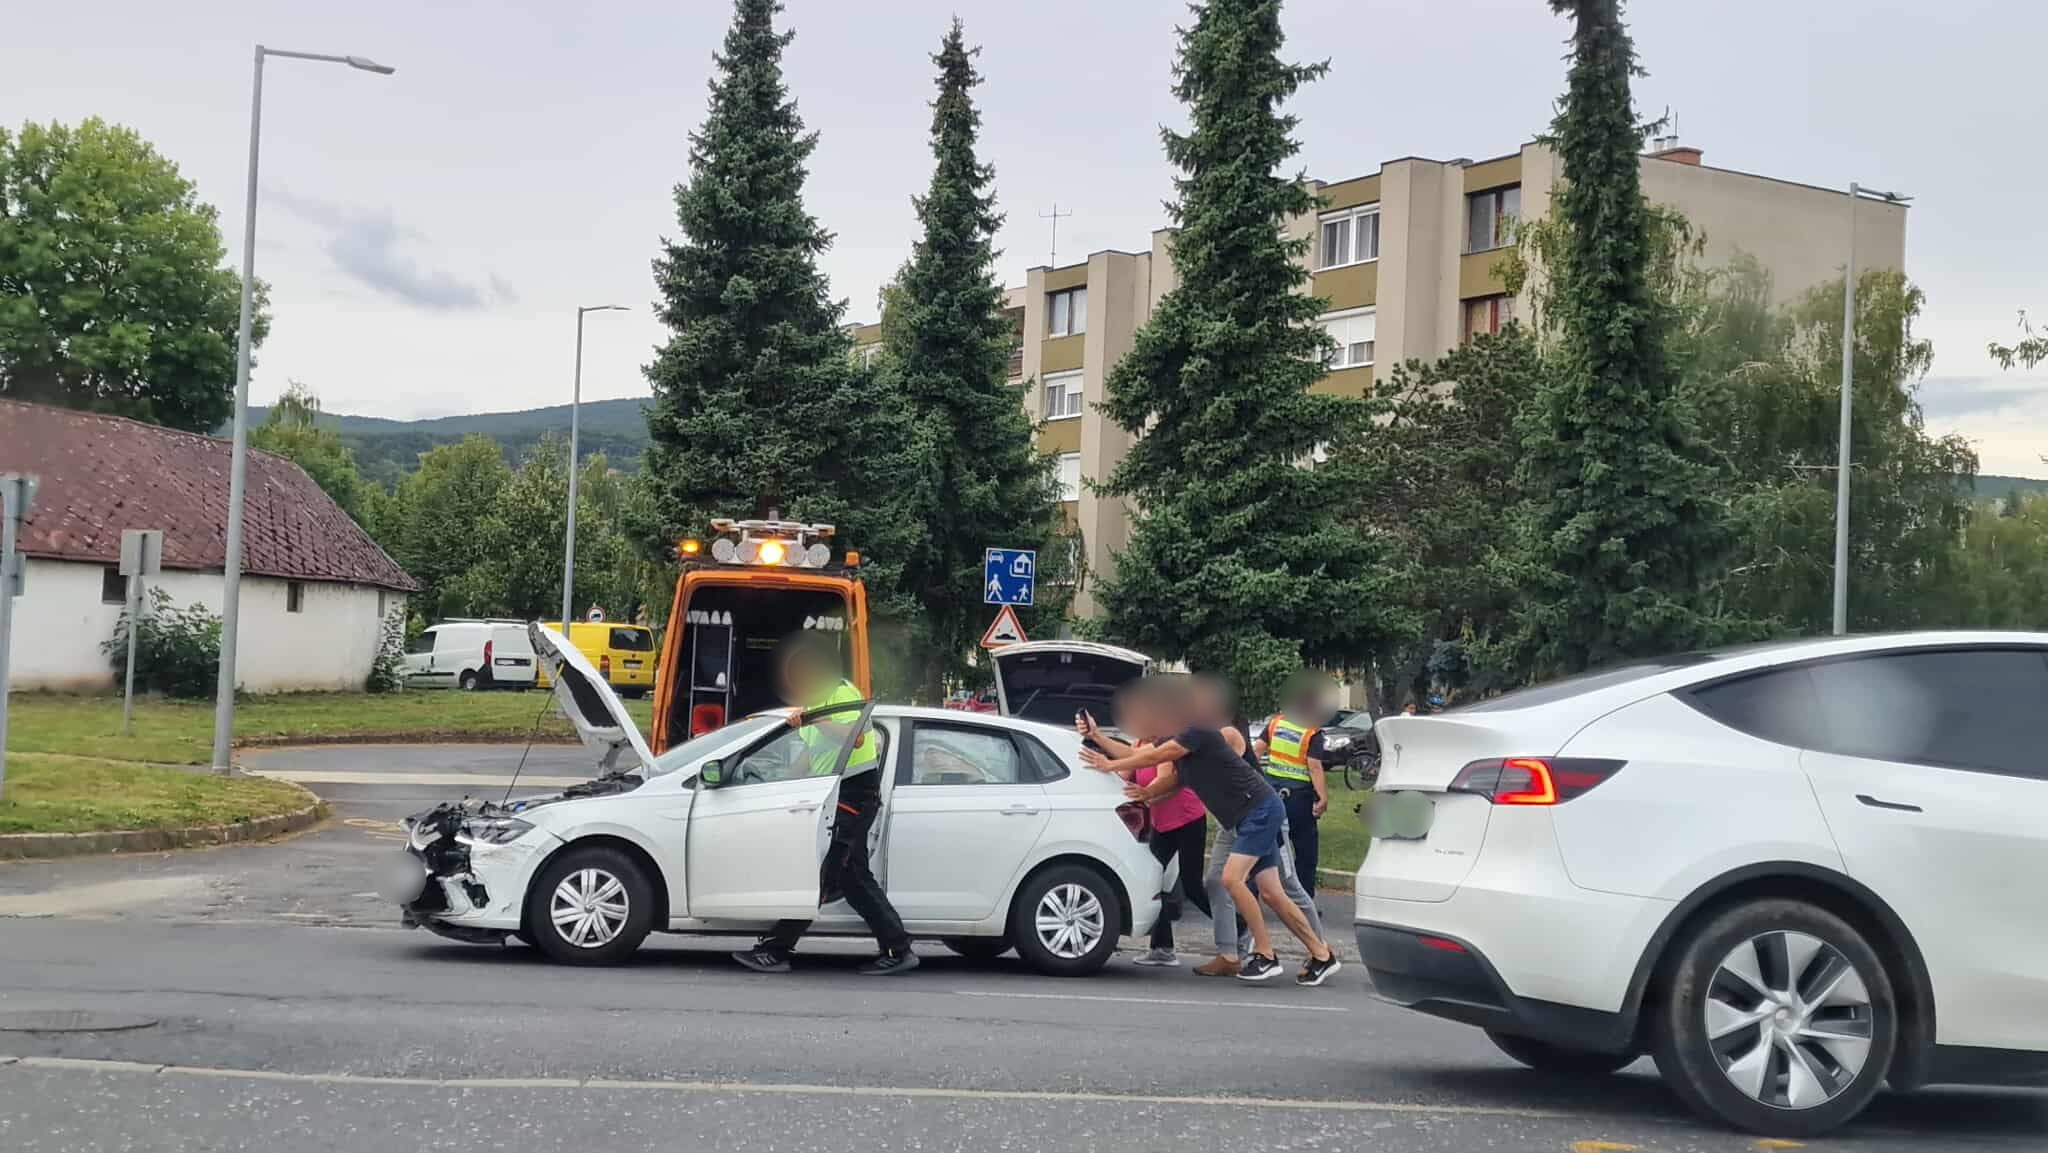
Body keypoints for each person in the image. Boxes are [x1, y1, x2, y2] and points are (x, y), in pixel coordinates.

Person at [1083, 676, 1340, 985]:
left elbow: (1151, 757)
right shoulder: (1177, 743)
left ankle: (1265, 954)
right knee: (1271, 892)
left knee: (1233, 879)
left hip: (1258, 811)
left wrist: (1108, 765)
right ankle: (1322, 955)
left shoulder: (1197, 732)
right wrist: (1102, 742)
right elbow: (1158, 768)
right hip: (1245, 816)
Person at [732, 633, 917, 976]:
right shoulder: (814, 704)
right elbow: (809, 756)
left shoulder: (841, 693)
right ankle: (897, 947)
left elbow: (855, 738)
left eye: (800, 672)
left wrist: (815, 718)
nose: (795, 680)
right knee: (849, 876)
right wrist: (779, 784)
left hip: (854, 794)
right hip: (833, 797)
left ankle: (776, 948)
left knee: (828, 873)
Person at [1078, 686, 1211, 967]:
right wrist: (1097, 739)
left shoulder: (1168, 742)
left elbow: (1162, 775)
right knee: (1150, 879)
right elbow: (1129, 761)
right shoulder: (1142, 743)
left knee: (1192, 885)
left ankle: (1241, 930)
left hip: (1186, 820)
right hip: (1162, 823)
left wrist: (1144, 794)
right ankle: (1163, 948)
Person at [1253, 672, 1330, 896]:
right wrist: (1323, 797)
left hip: (1271, 794)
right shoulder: (1312, 731)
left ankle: (1252, 894)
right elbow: (1314, 766)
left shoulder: (1276, 723)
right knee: (1305, 850)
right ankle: (1303, 899)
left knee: (1267, 845)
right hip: (1298, 798)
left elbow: (1256, 752)